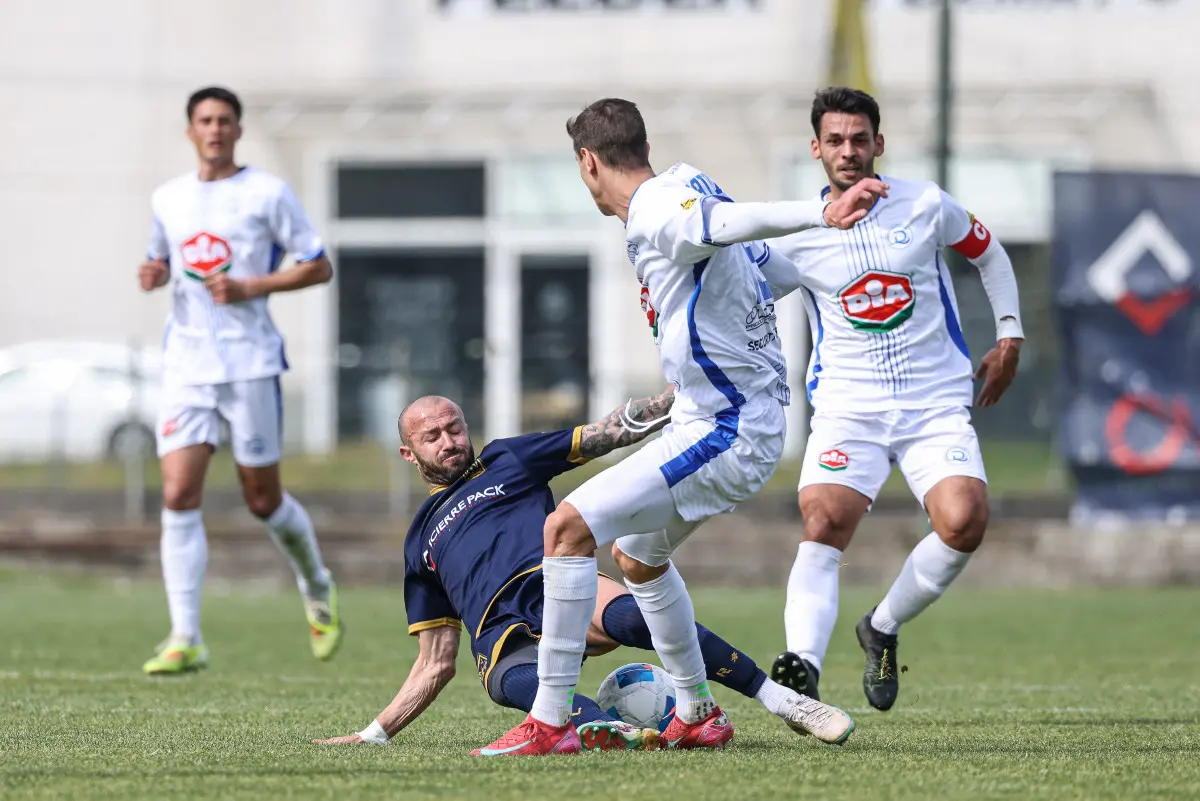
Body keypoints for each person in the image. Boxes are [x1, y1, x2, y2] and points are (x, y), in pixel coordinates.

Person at [476, 98, 886, 757]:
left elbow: (724, 225)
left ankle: (549, 722)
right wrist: (831, 284)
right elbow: (762, 269)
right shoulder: (685, 182)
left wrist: (821, 212)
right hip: (719, 417)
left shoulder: (660, 209)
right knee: (638, 556)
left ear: (588, 162)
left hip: (726, 428)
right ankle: (696, 711)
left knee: (566, 527)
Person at [314, 393, 856, 752]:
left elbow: (608, 432)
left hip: (555, 585)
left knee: (630, 614)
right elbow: (434, 664)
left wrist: (684, 397)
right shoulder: (419, 540)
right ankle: (609, 729)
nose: (449, 441)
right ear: (410, 454)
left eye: (454, 428)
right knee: (509, 683)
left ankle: (783, 700)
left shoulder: (507, 459)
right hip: (500, 637)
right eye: (432, 436)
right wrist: (374, 735)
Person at [765, 87, 1024, 712]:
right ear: (816, 150)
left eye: (860, 139)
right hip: (848, 409)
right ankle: (802, 663)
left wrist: (1010, 334)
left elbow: (987, 253)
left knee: (964, 523)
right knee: (824, 523)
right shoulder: (796, 235)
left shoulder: (926, 204)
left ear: (879, 144)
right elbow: (744, 301)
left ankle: (881, 625)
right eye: (836, 141)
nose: (848, 151)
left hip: (934, 402)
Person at [137, 86, 343, 675]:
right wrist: (152, 272)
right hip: (185, 368)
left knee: (262, 499)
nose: (215, 129)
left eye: (225, 120)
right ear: (190, 131)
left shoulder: (267, 193)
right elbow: (159, 261)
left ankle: (316, 584)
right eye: (205, 120)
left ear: (238, 129)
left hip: (249, 362)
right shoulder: (168, 198)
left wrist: (252, 286)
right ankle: (185, 636)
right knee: (178, 493)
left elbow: (318, 265)